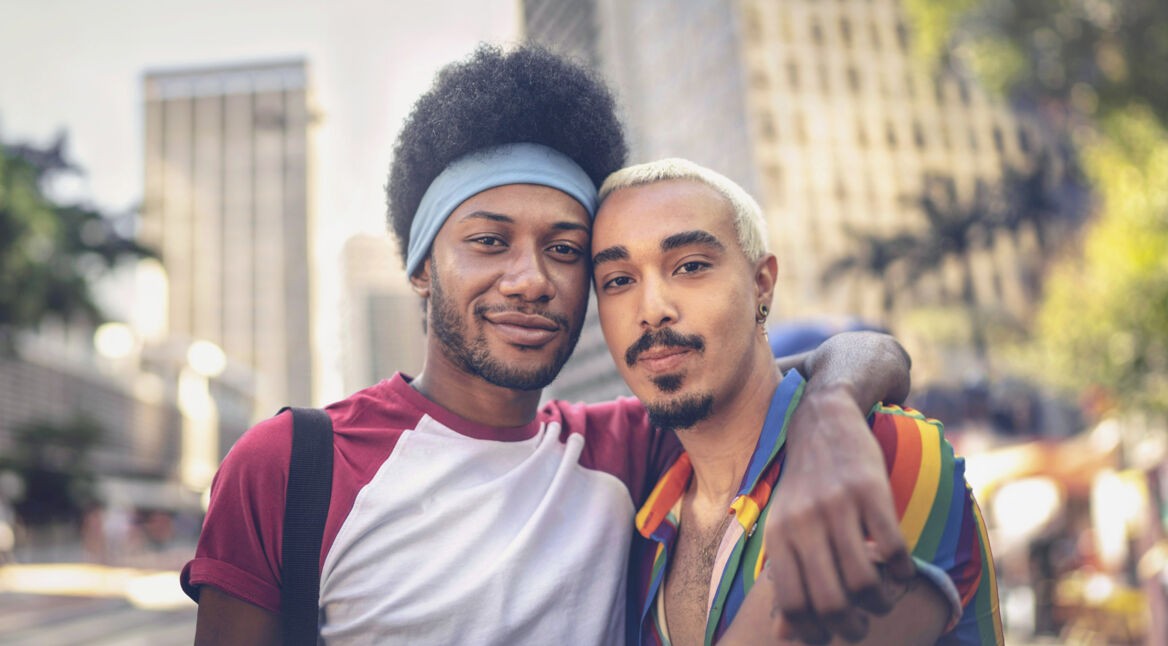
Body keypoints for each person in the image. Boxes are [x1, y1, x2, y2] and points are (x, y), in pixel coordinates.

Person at [183, 45, 914, 644]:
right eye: (489, 242)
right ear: (419, 268)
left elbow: (856, 356)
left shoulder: (630, 447)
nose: (530, 280)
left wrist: (832, 421)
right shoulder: (291, 465)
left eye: (564, 250)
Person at [591, 159, 1003, 645]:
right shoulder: (643, 518)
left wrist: (834, 404)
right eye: (618, 280)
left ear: (761, 284)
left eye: (691, 266)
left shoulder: (871, 449)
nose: (652, 309)